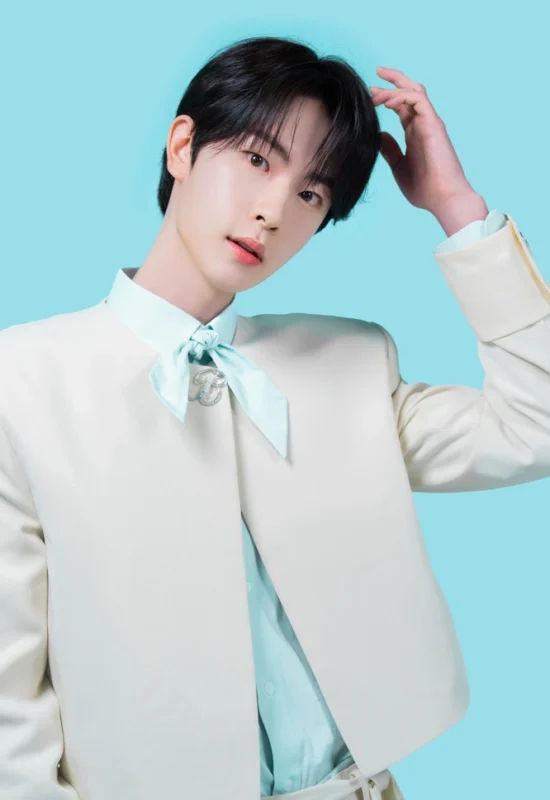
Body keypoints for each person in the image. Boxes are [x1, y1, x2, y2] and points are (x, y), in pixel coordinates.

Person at [1, 34, 549, 800]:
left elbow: (534, 428)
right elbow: (9, 715)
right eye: (257, 159)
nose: (272, 212)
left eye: (312, 195)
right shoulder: (23, 381)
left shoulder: (350, 362)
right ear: (183, 147)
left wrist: (458, 213)